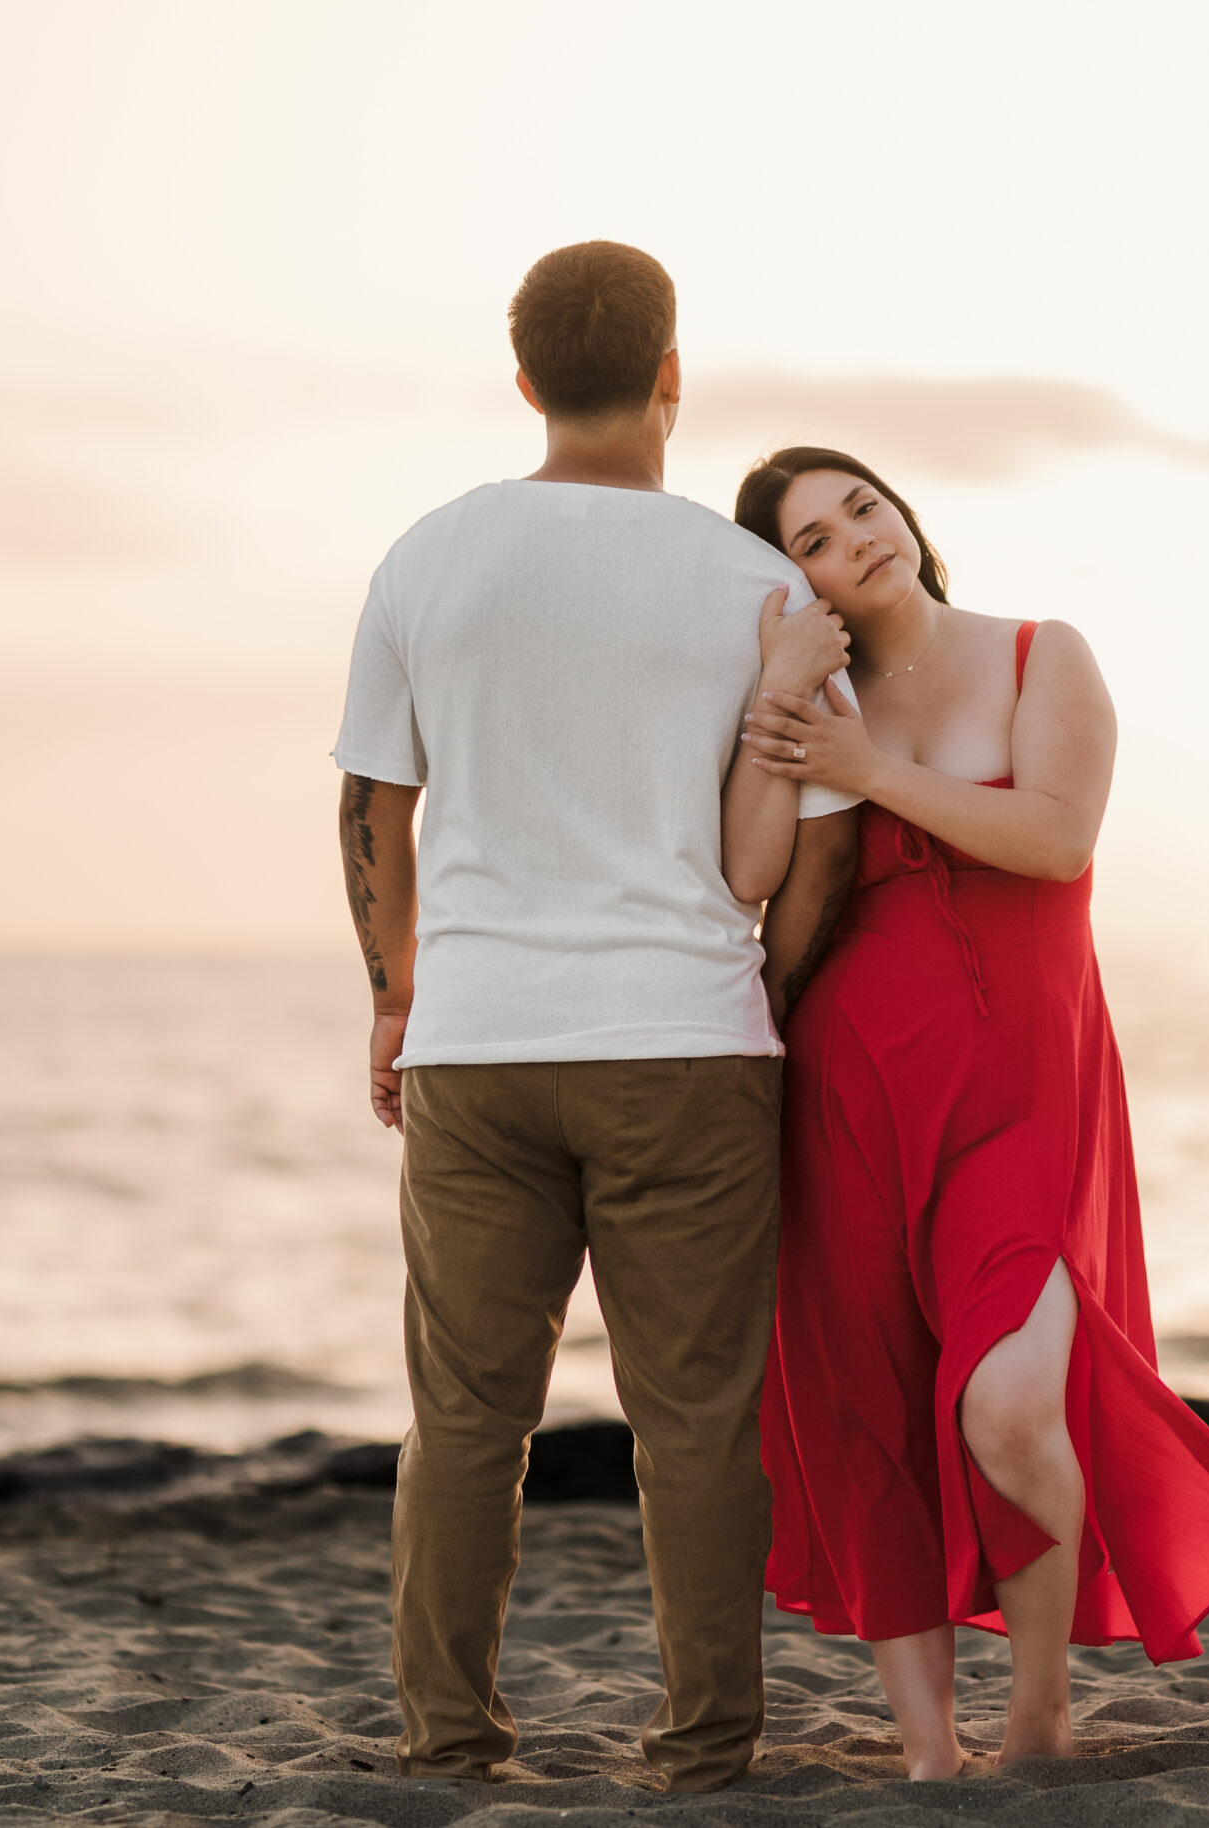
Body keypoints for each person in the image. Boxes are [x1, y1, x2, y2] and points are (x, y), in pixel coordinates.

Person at [331, 245, 858, 1792]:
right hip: (686, 1042)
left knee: (464, 1421)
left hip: (481, 1044)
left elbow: (375, 807)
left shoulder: (427, 559)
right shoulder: (756, 583)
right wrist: (758, 999)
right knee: (695, 1420)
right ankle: (704, 1750)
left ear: (523, 384)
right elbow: (814, 846)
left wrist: (393, 998)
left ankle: (449, 1741)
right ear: (673, 373)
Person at [726, 447, 1209, 1780]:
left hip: (1022, 1103)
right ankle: (932, 1753)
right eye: (813, 538)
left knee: (1006, 1406)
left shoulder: (1044, 656)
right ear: (793, 579)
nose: (853, 540)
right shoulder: (811, 702)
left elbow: (1055, 837)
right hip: (852, 1096)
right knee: (872, 1412)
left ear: (905, 513)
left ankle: (1040, 1707)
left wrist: (865, 768)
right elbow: (763, 884)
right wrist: (788, 714)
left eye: (861, 506)